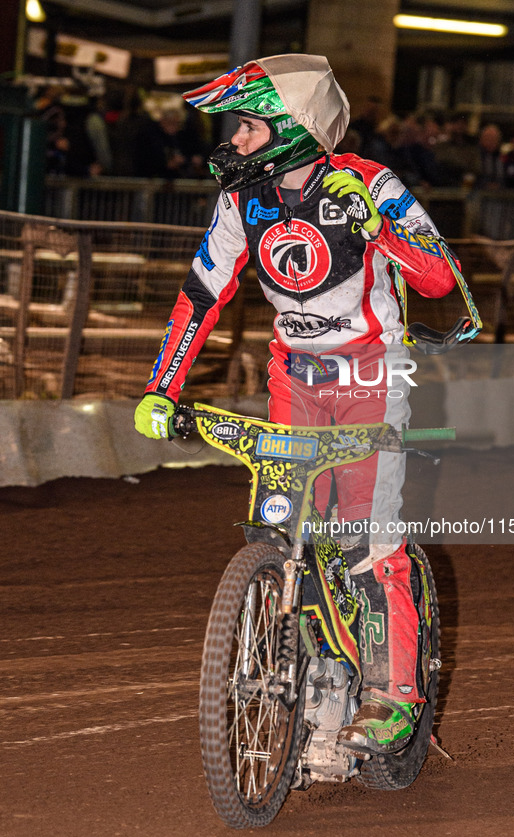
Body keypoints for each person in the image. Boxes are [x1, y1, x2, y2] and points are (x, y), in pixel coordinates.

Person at [133, 54, 458, 755]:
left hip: (373, 373)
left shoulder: (370, 182)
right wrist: (163, 384)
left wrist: (375, 223)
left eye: (248, 125)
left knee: (363, 536)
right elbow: (200, 292)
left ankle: (393, 695)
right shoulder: (239, 200)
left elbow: (437, 277)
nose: (236, 140)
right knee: (278, 527)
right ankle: (315, 685)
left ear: (290, 126)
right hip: (295, 380)